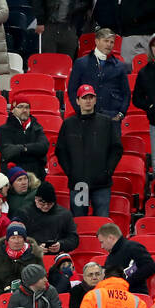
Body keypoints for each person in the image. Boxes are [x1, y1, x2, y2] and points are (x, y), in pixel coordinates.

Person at [56, 84, 122, 218]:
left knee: (102, 222)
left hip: (101, 183)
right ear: (77, 100)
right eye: (84, 97)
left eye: (91, 97)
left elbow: (116, 149)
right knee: (79, 222)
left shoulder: (106, 122)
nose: (88, 100)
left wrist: (108, 171)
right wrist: (71, 173)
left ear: (95, 100)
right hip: (79, 184)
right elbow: (61, 151)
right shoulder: (68, 124)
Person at [67, 27, 130, 124]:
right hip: (87, 116)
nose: (109, 45)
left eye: (112, 42)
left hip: (112, 117)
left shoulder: (120, 66)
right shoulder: (81, 63)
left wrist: (121, 114)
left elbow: (126, 93)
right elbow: (72, 90)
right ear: (97, 41)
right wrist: (80, 112)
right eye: (106, 41)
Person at [0, 221, 44, 298]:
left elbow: (41, 280)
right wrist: (1, 296)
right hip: (2, 295)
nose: (16, 241)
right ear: (7, 240)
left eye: (19, 237)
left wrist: (29, 294)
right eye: (13, 238)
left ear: (24, 239)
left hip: (29, 296)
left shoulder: (34, 255)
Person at [0, 99, 50, 179]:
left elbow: (44, 147)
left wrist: (23, 148)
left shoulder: (37, 128)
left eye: (27, 107)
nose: (24, 110)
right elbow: (8, 152)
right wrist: (32, 151)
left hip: (37, 176)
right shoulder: (4, 129)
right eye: (20, 107)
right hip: (14, 178)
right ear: (13, 110)